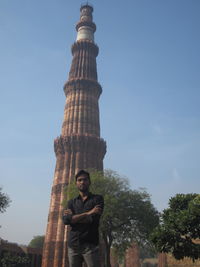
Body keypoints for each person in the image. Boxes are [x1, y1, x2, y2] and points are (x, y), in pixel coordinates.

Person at [63, 169, 104, 267]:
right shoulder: (71, 202)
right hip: (73, 245)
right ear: (76, 183)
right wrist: (89, 213)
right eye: (79, 180)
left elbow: (93, 220)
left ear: (89, 182)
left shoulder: (97, 199)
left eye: (85, 179)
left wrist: (74, 218)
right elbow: (67, 221)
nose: (82, 182)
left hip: (90, 244)